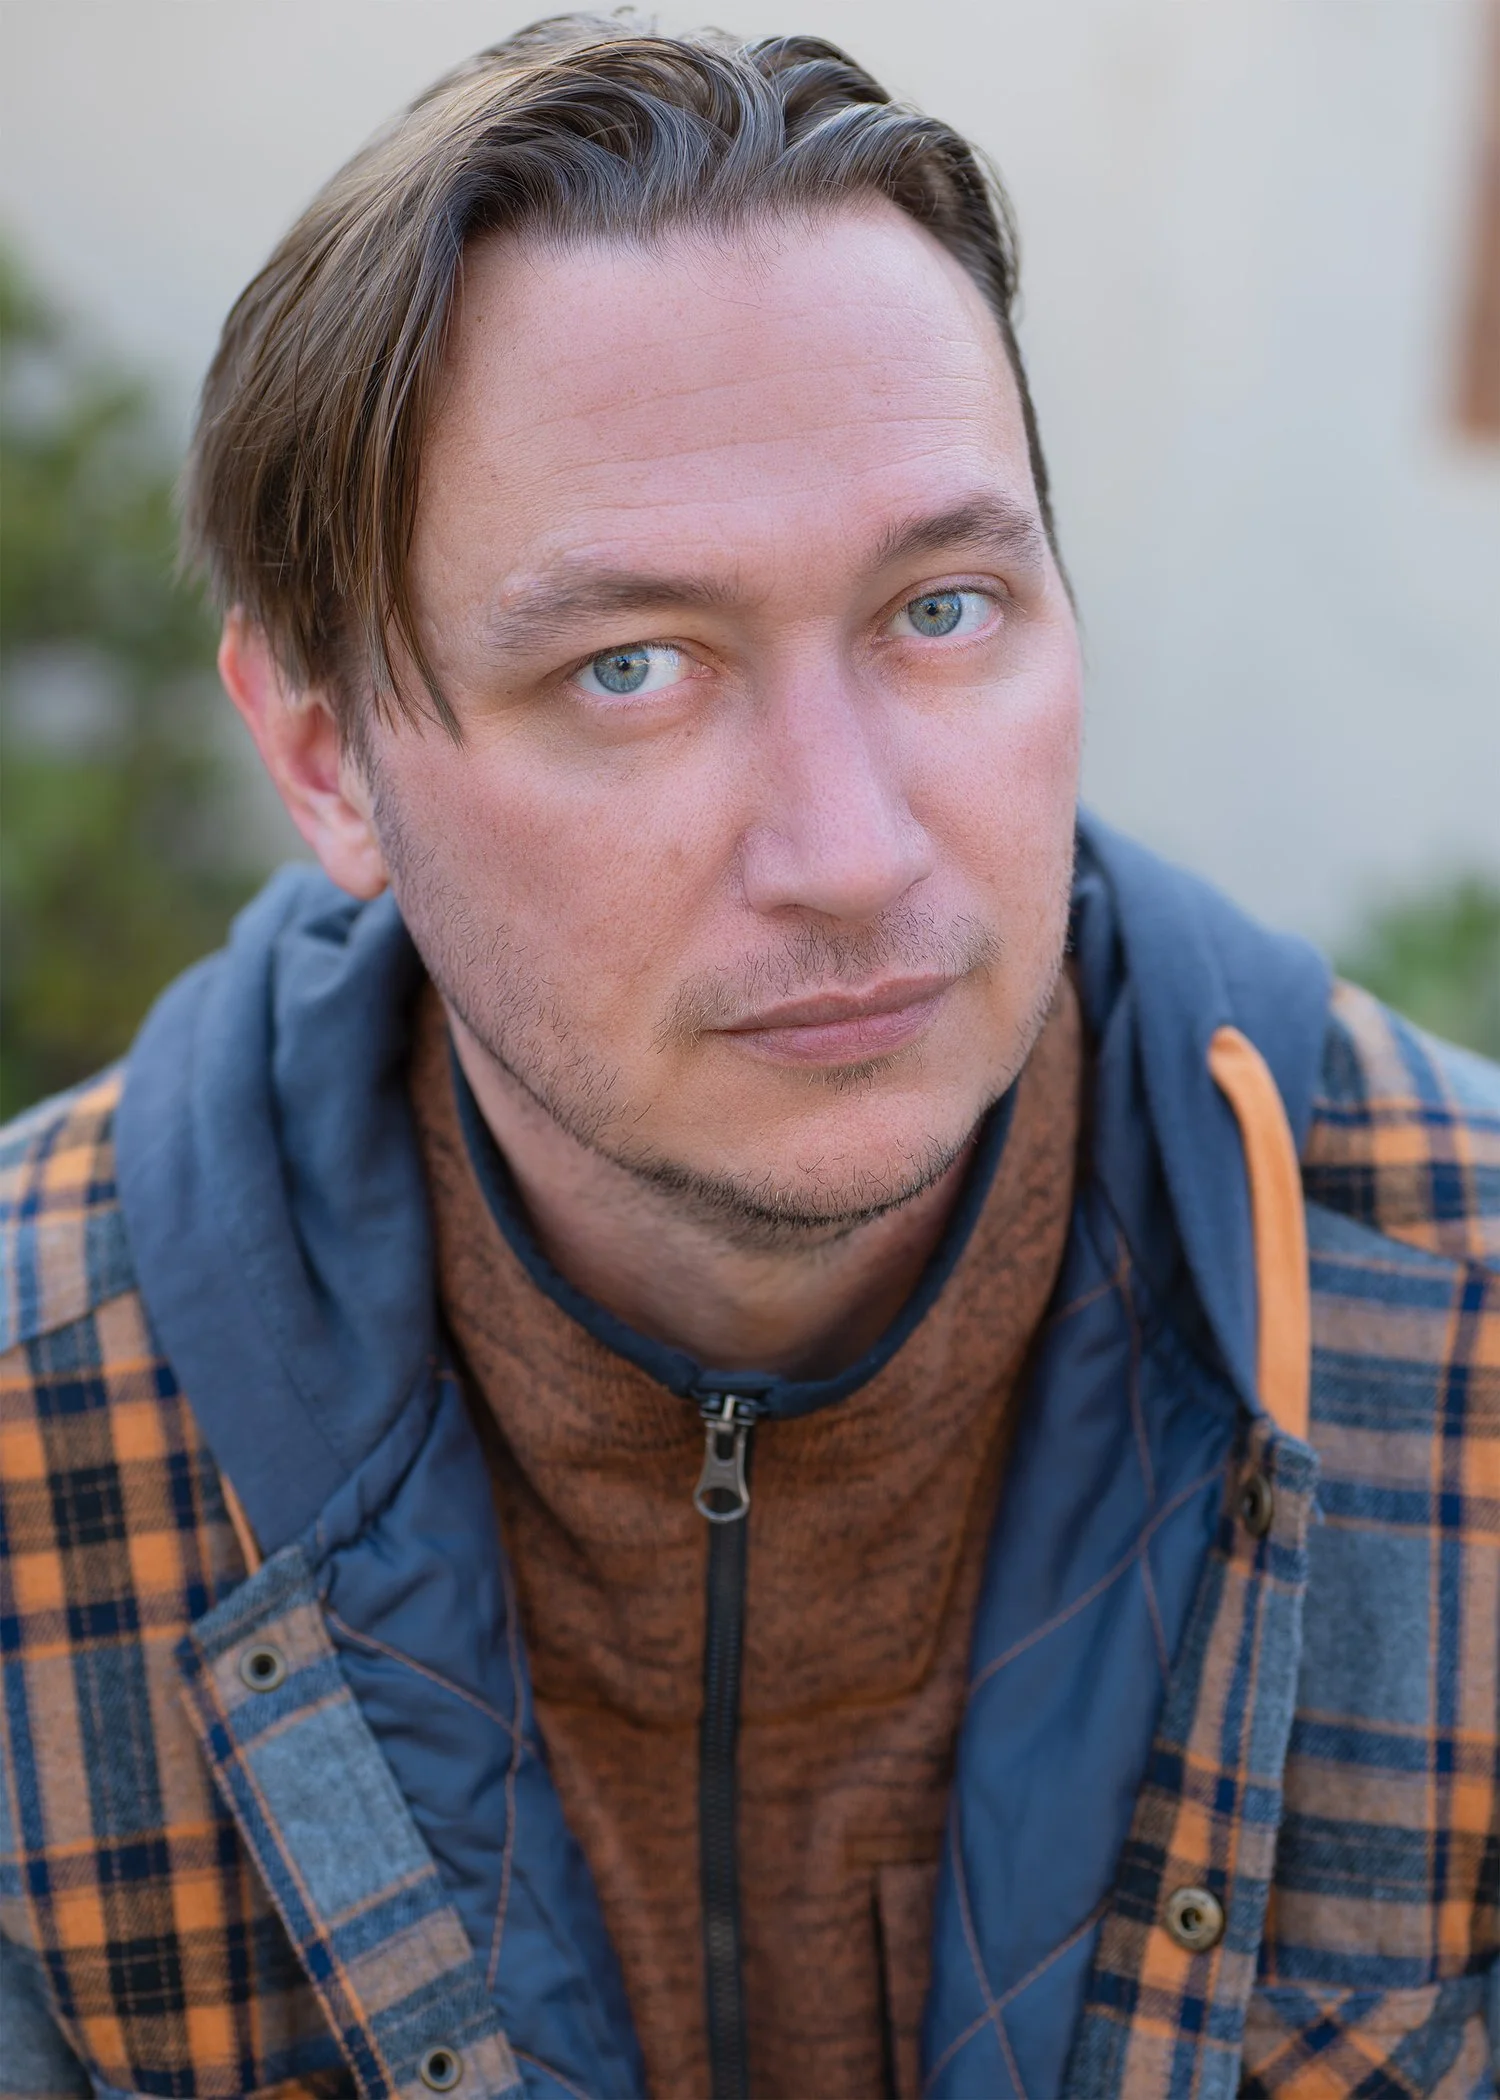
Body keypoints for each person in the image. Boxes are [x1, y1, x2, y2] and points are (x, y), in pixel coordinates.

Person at [1, 17, 1497, 2100]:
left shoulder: (1460, 1328)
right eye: (631, 666)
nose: (852, 851)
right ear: (327, 757)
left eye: (942, 609)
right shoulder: (40, 1419)